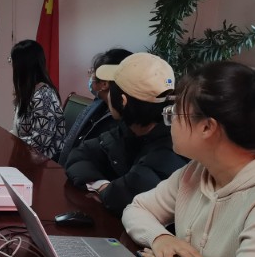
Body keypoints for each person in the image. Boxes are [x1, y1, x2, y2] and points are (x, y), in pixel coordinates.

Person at [123, 61, 255, 257]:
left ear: (207, 127)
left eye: (175, 113)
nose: (170, 121)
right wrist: (160, 238)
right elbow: (137, 208)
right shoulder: (198, 171)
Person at [65, 53, 187, 215]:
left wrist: (106, 191)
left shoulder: (171, 149)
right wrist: (101, 186)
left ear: (123, 101)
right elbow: (78, 155)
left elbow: (122, 197)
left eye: (112, 89)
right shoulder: (128, 131)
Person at [56, 48, 132, 165]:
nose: (91, 77)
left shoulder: (121, 120)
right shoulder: (97, 104)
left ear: (104, 84)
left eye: (93, 73)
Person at [9, 39, 65, 158]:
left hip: (44, 164)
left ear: (22, 67)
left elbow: (39, 146)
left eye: (12, 62)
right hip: (27, 157)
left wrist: (11, 140)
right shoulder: (29, 92)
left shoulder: (44, 97)